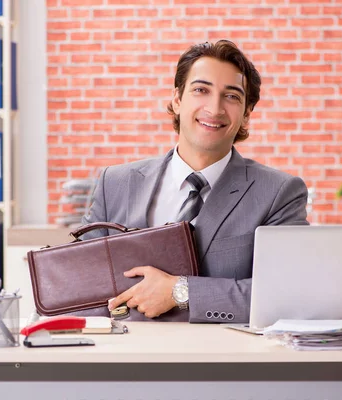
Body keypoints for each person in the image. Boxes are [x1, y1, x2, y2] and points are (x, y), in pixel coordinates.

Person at [82, 40, 309, 323]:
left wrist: (182, 291)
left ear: (247, 113)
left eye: (232, 96)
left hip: (223, 363)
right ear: (177, 99)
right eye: (201, 90)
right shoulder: (114, 183)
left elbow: (287, 293)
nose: (214, 108)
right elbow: (83, 284)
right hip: (124, 358)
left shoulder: (279, 193)